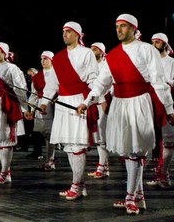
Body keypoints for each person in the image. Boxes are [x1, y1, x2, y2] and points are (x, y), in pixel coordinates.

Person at [79, 14, 174, 214]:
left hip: (139, 102)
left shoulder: (147, 50)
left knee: (136, 150)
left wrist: (169, 109)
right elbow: (101, 83)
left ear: (133, 28)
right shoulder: (112, 55)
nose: (119, 30)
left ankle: (130, 196)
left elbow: (159, 81)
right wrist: (87, 102)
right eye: (117, 27)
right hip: (120, 104)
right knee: (128, 150)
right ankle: (138, 196)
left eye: (123, 26)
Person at [39, 23, 98, 200]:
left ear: (77, 35)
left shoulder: (86, 53)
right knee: (70, 147)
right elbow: (52, 85)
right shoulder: (58, 57)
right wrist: (44, 102)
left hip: (79, 100)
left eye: (68, 32)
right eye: (63, 32)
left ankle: (76, 185)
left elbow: (94, 80)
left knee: (78, 145)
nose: (64, 35)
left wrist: (88, 102)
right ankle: (79, 184)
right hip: (63, 103)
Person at [0, 42, 29, 184]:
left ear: (4, 53)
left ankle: (4, 172)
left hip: (6, 105)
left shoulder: (12, 68)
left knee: (6, 138)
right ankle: (5, 172)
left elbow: (21, 88)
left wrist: (25, 107)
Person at [146, 33, 174, 188]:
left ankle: (164, 172)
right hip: (150, 102)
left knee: (168, 140)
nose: (154, 44)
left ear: (165, 44)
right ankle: (156, 172)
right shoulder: (147, 63)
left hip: (168, 101)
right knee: (152, 140)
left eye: (158, 42)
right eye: (153, 42)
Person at [29, 51, 58, 171]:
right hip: (40, 105)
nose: (43, 61)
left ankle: (50, 160)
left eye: (45, 59)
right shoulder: (37, 76)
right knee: (44, 134)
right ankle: (48, 159)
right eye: (42, 59)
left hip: (53, 105)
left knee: (50, 133)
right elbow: (34, 94)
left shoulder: (57, 74)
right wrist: (31, 109)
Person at [86, 42, 112, 179]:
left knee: (102, 135)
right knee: (97, 137)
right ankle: (103, 165)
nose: (92, 51)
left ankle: (102, 166)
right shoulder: (89, 66)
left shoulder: (106, 65)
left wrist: (104, 100)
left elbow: (109, 84)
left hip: (102, 103)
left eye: (95, 49)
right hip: (91, 103)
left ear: (102, 52)